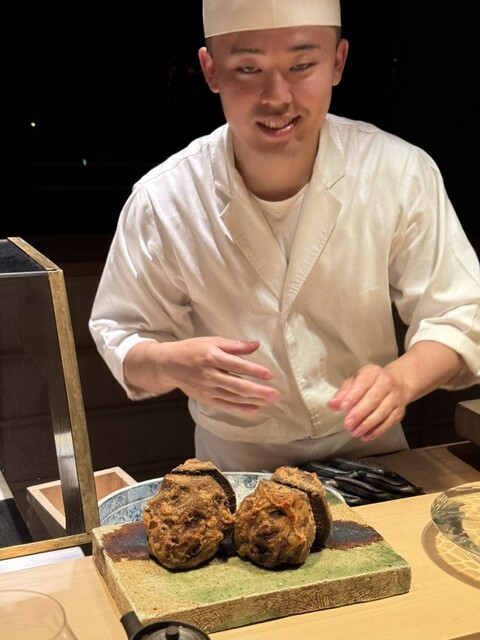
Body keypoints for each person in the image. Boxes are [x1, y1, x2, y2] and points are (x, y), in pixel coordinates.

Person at [89, 0, 480, 472]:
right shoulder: (165, 198)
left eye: (301, 65)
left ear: (337, 62)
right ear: (210, 70)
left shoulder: (397, 171)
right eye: (248, 68)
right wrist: (170, 363)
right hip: (237, 468)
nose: (277, 97)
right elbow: (122, 332)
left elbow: (459, 312)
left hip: (371, 454)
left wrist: (401, 380)